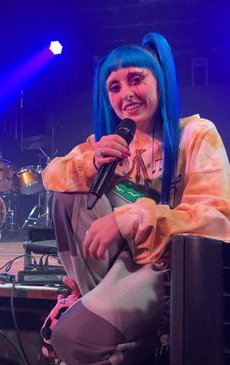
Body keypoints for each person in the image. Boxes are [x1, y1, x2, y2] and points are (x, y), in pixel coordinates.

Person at [41, 32, 230, 365]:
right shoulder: (109, 144)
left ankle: (139, 337)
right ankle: (92, 301)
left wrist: (128, 219)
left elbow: (215, 220)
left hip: (163, 271)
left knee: (72, 338)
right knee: (65, 194)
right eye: (114, 87)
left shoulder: (196, 135)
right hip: (112, 271)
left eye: (136, 80)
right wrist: (91, 162)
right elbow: (52, 175)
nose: (126, 94)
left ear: (159, 81)